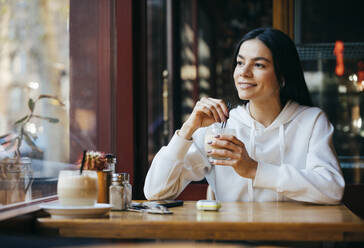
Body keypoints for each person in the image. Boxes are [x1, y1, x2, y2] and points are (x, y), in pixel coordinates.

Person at [144, 28, 345, 204]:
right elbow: (155, 192)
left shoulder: (311, 121)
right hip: (232, 241)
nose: (244, 73)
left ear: (282, 76)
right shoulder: (220, 126)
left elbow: (333, 190)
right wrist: (188, 129)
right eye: (240, 63)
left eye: (259, 65)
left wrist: (254, 170)